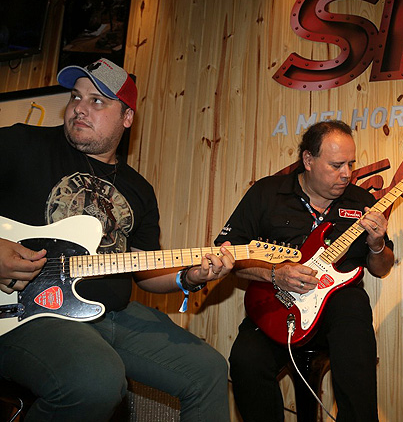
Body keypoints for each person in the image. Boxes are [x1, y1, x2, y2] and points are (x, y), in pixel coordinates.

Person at [0, 58, 233, 421]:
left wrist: (188, 277)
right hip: (26, 311)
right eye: (76, 96)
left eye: (97, 101)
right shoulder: (21, 143)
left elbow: (143, 267)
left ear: (127, 117)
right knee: (95, 379)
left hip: (112, 315)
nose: (79, 108)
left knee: (209, 370)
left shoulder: (138, 189)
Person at [215, 120, 394, 422]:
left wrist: (377, 244)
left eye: (351, 163)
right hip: (276, 308)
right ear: (308, 160)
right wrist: (274, 274)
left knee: (354, 304)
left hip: (337, 318)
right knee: (246, 360)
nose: (347, 173)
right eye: (337, 164)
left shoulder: (361, 201)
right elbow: (228, 253)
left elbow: (381, 268)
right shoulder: (267, 193)